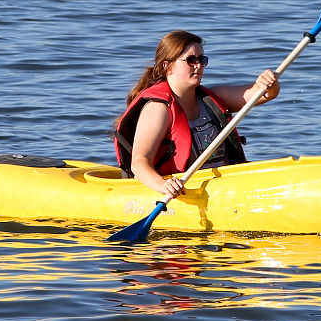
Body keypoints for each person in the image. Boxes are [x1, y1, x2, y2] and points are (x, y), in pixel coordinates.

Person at [114, 30, 281, 198]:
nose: (198, 65)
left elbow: (263, 94)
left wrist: (268, 83)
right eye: (191, 60)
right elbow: (139, 162)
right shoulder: (158, 109)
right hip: (181, 193)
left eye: (202, 60)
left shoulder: (213, 98)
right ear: (167, 65)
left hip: (223, 187)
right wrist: (163, 185)